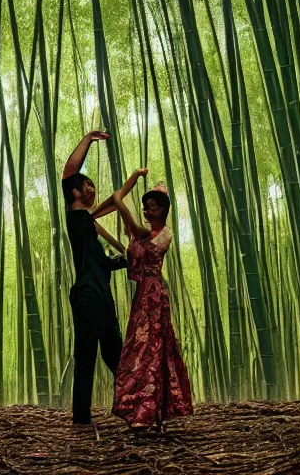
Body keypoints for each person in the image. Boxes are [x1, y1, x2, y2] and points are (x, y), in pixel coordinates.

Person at [61, 130, 147, 425]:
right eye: (87, 185)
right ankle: (81, 419)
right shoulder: (76, 218)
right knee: (86, 357)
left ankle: (135, 407)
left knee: (117, 356)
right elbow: (69, 172)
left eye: (92, 185)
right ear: (75, 193)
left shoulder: (89, 225)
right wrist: (87, 138)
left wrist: (128, 257)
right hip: (87, 296)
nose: (91, 188)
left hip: (101, 297)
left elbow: (105, 264)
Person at [110, 178, 193, 431]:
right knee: (139, 348)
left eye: (153, 207)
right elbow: (128, 249)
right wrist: (98, 228)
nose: (148, 211)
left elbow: (132, 226)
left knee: (154, 349)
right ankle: (140, 409)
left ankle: (150, 411)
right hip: (142, 295)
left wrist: (119, 200)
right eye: (146, 206)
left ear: (164, 210)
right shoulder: (141, 235)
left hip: (154, 295)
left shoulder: (162, 233)